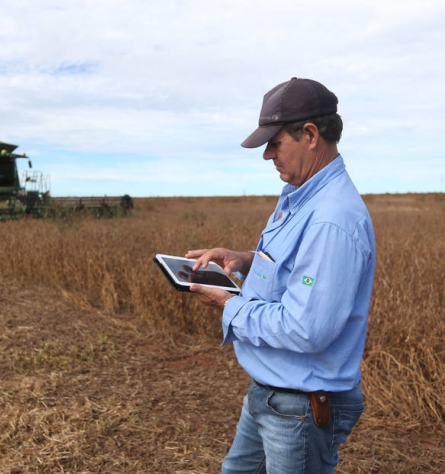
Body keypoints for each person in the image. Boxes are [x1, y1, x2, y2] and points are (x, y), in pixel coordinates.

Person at [186, 77, 376, 473]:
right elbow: (295, 269)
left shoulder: (332, 219)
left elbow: (306, 328)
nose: (268, 155)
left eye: (275, 143)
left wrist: (228, 303)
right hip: (271, 393)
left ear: (309, 134)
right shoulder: (299, 195)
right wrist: (243, 259)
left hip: (300, 409)